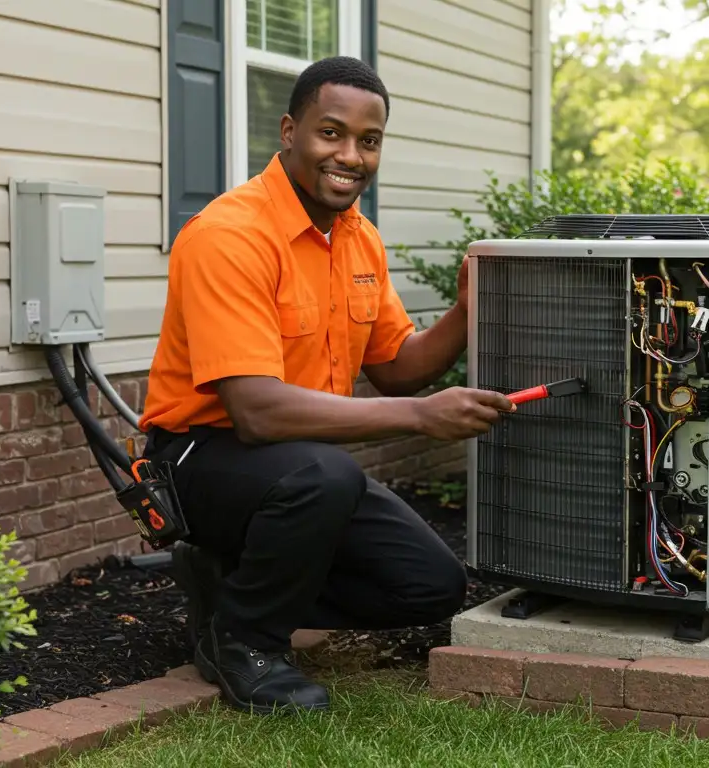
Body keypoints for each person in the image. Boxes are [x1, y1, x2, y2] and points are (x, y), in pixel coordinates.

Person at [138, 55, 515, 715]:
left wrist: (466, 311)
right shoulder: (230, 236)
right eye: (331, 133)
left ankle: (231, 587)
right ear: (289, 131)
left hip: (294, 467)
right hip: (198, 456)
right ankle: (245, 642)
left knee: (429, 584)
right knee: (325, 476)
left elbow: (397, 362)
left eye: (369, 141)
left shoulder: (358, 238)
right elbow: (253, 412)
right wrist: (422, 417)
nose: (351, 155)